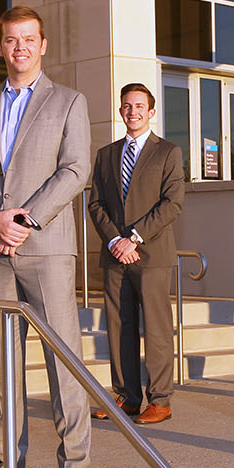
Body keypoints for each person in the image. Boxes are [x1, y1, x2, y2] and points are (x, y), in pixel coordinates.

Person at [0, 6, 93, 468]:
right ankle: (7, 458)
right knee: (2, 360)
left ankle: (73, 464)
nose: (20, 48)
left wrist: (24, 220)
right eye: (11, 40)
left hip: (46, 249)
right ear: (0, 46)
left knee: (63, 358)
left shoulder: (69, 102)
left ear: (43, 44)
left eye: (28, 39)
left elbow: (76, 171)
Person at [87, 83, 185, 426]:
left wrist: (134, 238)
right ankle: (127, 397)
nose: (133, 111)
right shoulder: (106, 154)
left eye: (140, 106)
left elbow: (173, 203)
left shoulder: (168, 152)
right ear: (120, 111)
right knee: (118, 328)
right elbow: (95, 204)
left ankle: (160, 400)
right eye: (127, 106)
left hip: (152, 255)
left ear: (152, 111)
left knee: (156, 330)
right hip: (115, 256)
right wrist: (115, 240)